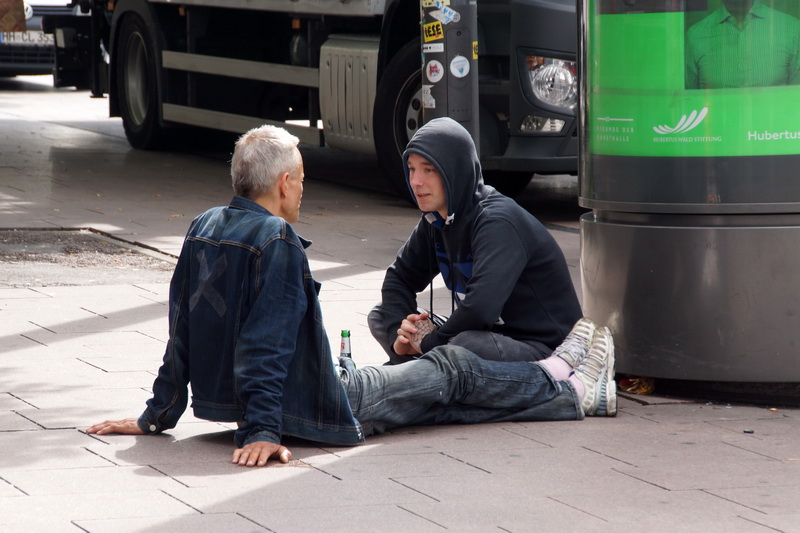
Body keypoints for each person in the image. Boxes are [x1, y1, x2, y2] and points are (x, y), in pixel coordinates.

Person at [87, 125, 616, 468]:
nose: (417, 182)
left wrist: (159, 413)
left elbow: (182, 325)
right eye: (302, 179)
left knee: (438, 397)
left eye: (427, 169)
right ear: (286, 183)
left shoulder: (204, 226)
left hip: (271, 400)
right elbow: (266, 341)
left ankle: (564, 383)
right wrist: (264, 430)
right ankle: (569, 391)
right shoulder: (278, 242)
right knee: (449, 373)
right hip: (318, 404)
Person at [368, 117, 582, 365]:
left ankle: (425, 371)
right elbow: (398, 279)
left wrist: (428, 343)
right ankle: (426, 369)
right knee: (381, 314)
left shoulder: (497, 221)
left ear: (454, 171)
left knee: (464, 345)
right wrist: (402, 336)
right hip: (490, 337)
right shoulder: (436, 219)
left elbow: (480, 310)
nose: (416, 181)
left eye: (428, 169)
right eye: (412, 168)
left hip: (546, 351)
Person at [685, 0, 800, 89]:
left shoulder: (791, 28)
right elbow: (688, 99)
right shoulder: (696, 35)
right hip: (717, 118)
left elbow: (796, 98)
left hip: (778, 118)